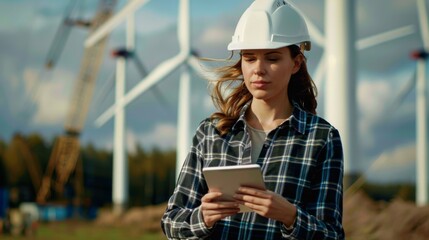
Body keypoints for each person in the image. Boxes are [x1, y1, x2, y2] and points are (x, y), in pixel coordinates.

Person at [161, 0, 345, 239]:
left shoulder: (321, 138)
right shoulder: (212, 133)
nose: (258, 69)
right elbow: (171, 222)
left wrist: (291, 216)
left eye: (272, 58)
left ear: (296, 63)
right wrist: (202, 218)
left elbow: (332, 234)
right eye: (249, 58)